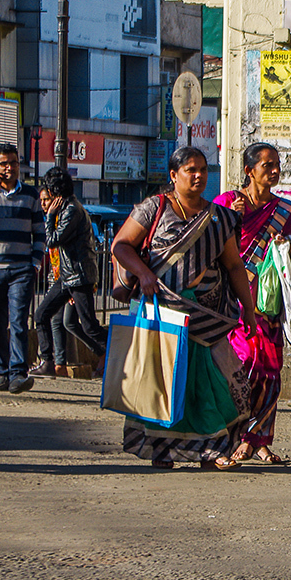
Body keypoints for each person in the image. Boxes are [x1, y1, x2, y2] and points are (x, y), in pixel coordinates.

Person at [111, 146, 257, 470]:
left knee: (208, 384)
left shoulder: (220, 218)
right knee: (164, 384)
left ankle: (211, 449)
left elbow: (234, 266)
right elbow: (120, 245)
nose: (198, 176)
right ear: (174, 176)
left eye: (203, 169)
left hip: (206, 319)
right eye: (190, 170)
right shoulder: (154, 208)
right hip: (163, 312)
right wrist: (144, 273)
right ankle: (162, 450)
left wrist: (248, 309)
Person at [212, 143, 291, 463]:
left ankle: (259, 439)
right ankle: (236, 436)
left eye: (277, 164)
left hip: (268, 303)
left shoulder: (287, 212)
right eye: (267, 165)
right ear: (250, 170)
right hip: (233, 303)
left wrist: (288, 245)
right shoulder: (227, 202)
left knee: (270, 371)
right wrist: (229, 219)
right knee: (244, 365)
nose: (274, 170)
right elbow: (207, 240)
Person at [0, 143, 46, 394]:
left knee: (18, 321)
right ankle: (1, 373)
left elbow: (40, 232)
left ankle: (18, 373)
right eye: (4, 164)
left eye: (14, 163)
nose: (9, 168)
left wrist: (34, 263)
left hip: (20, 270)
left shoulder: (30, 194)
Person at [29, 167, 108, 378]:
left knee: (89, 325)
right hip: (67, 276)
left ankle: (120, 353)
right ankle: (47, 361)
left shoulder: (71, 209)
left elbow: (54, 240)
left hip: (78, 276)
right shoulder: (67, 208)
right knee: (42, 314)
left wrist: (50, 217)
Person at [30, 184, 72, 378]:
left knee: (75, 323)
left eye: (47, 200)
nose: (44, 204)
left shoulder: (61, 219)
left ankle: (105, 353)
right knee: (56, 320)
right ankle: (56, 363)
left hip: (69, 280)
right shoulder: (52, 219)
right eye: (42, 201)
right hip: (57, 279)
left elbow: (54, 241)